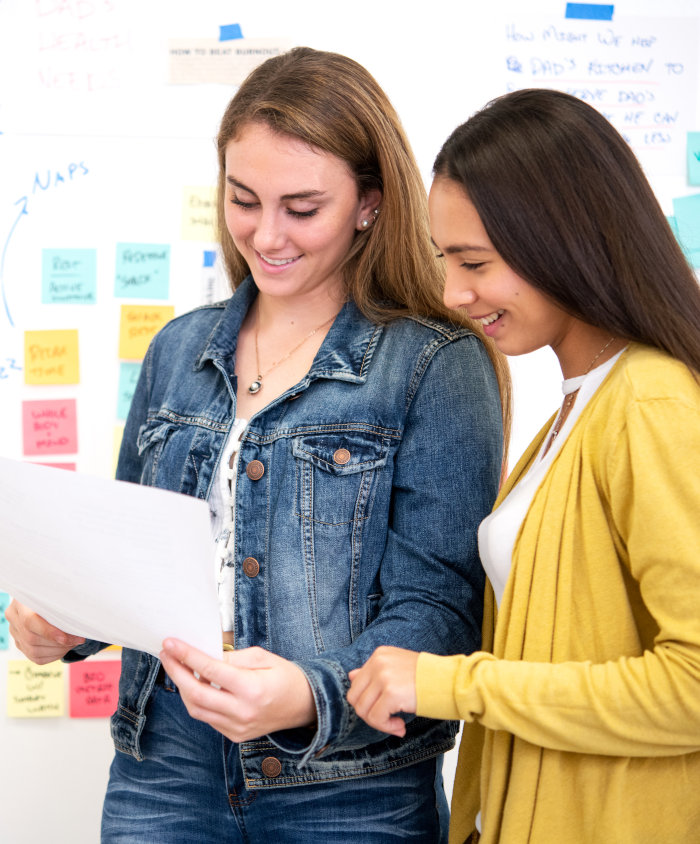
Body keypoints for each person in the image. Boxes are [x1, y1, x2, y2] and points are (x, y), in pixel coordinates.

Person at [6, 48, 509, 842]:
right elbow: (131, 559)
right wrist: (65, 618)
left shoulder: (434, 365)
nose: (265, 235)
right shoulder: (179, 349)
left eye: (302, 208)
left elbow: (443, 611)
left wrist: (309, 693)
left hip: (349, 787)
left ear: (369, 203)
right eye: (244, 200)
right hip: (164, 765)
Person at [347, 87, 700, 844]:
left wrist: (448, 681)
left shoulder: (649, 405)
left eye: (475, 262)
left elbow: (694, 686)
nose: (453, 292)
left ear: (562, 240)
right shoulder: (577, 409)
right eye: (446, 261)